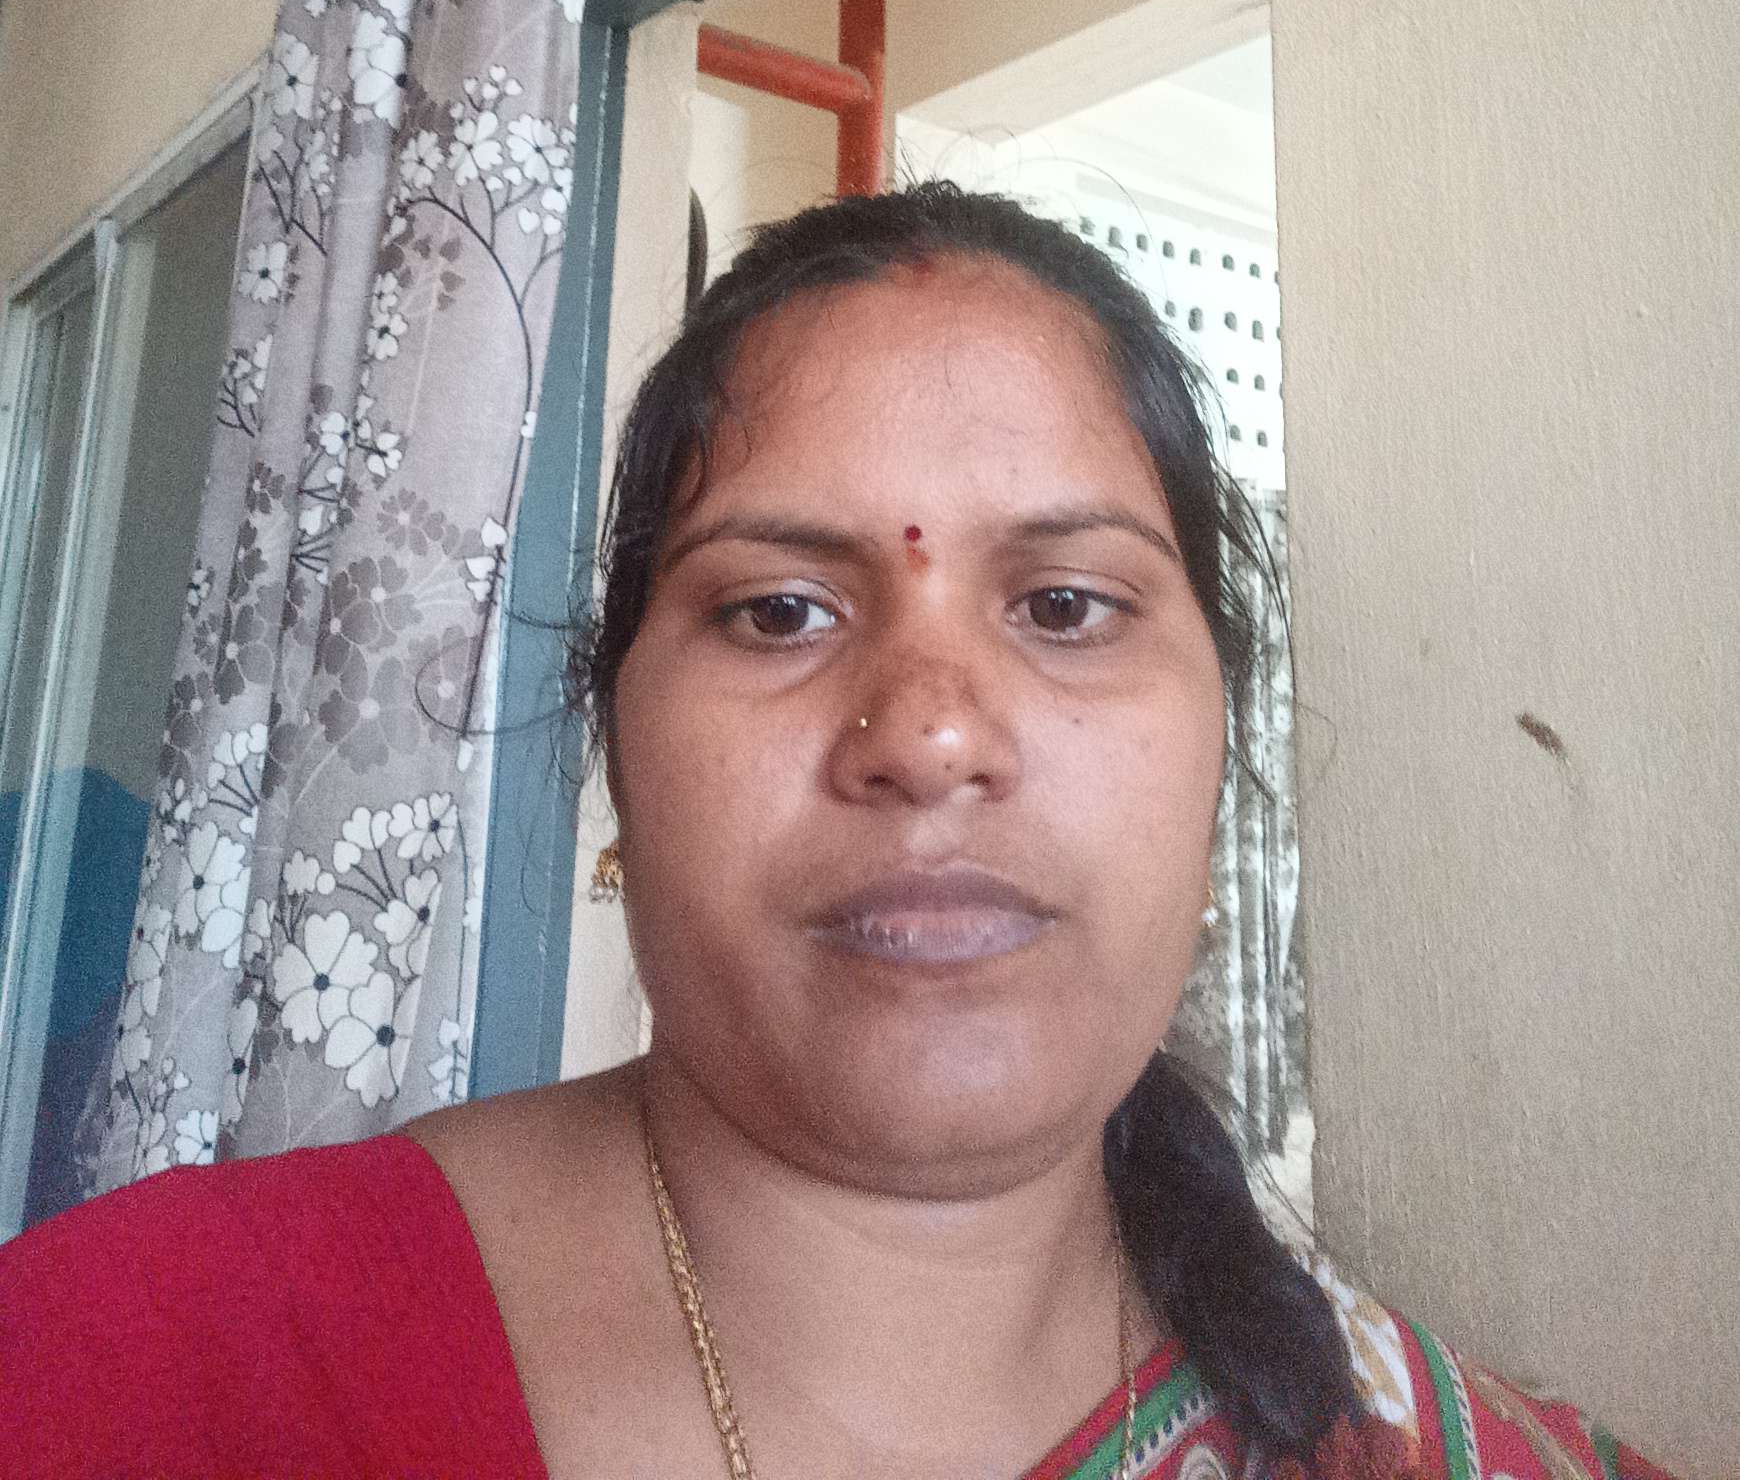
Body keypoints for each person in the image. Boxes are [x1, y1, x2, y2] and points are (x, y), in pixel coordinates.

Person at [0, 184, 1674, 1479]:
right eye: (780, 611)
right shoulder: (139, 1372)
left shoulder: (1441, 1449)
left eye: (1068, 606)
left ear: (1221, 746)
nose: (932, 736)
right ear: (616, 750)